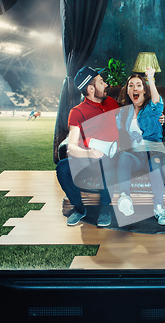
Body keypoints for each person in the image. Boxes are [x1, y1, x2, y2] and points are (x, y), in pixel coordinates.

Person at [55, 66, 120, 227]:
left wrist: (158, 118)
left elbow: (131, 118)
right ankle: (79, 208)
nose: (106, 85)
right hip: (88, 158)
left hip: (109, 157)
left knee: (108, 162)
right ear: (91, 89)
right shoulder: (77, 112)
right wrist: (90, 154)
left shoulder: (111, 103)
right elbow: (71, 147)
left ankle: (105, 209)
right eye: (101, 82)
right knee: (62, 168)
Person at [115, 68, 165, 225]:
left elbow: (157, 102)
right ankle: (125, 198)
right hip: (136, 154)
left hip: (154, 151)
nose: (134, 88)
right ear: (127, 91)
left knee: (155, 163)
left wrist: (150, 79)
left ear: (145, 90)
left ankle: (159, 207)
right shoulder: (124, 112)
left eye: (139, 85)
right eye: (131, 85)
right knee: (124, 156)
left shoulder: (152, 109)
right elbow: (114, 129)